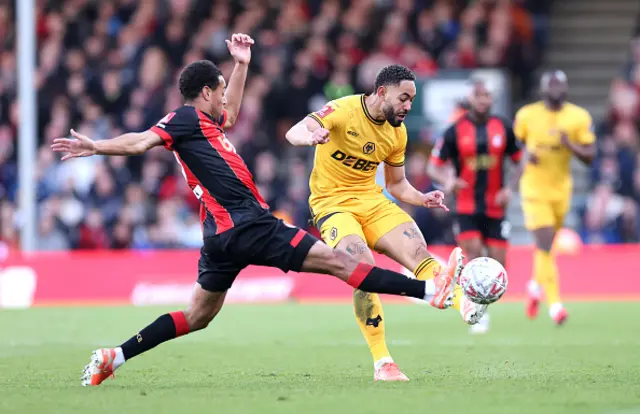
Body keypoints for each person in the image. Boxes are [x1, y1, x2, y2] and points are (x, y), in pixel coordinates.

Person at [52, 34, 462, 387]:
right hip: (249, 225)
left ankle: (114, 357)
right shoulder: (183, 120)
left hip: (219, 237)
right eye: (220, 90)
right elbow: (140, 141)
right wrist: (96, 146)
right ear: (207, 92)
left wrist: (241, 64)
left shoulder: (207, 124)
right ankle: (431, 290)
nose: (225, 100)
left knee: (196, 316)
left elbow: (230, 108)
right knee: (344, 262)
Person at [284, 64, 483, 382]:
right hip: (333, 206)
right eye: (404, 98)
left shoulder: (397, 133)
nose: (407, 106)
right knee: (361, 269)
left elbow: (396, 185)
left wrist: (421, 198)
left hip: (373, 203)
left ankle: (459, 302)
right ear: (381, 92)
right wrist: (311, 137)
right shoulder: (343, 109)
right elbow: (293, 131)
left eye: (411, 101)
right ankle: (383, 363)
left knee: (418, 252)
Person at [428, 79, 523, 334]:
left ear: (491, 99)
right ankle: (478, 313)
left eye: (487, 96)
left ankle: (483, 307)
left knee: (499, 265)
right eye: (478, 95)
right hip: (467, 206)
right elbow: (433, 166)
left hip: (495, 207)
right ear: (470, 99)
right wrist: (448, 180)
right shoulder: (454, 130)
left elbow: (520, 162)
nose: (483, 100)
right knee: (475, 256)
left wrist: (509, 188)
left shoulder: (503, 126)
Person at [514, 70, 595, 325]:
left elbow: (590, 154)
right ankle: (556, 304)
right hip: (534, 189)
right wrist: (525, 157)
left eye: (561, 84)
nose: (557, 89)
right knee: (546, 242)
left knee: (545, 247)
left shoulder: (578, 116)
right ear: (542, 88)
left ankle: (534, 286)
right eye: (552, 84)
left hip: (561, 190)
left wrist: (570, 145)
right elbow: (513, 145)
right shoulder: (527, 115)